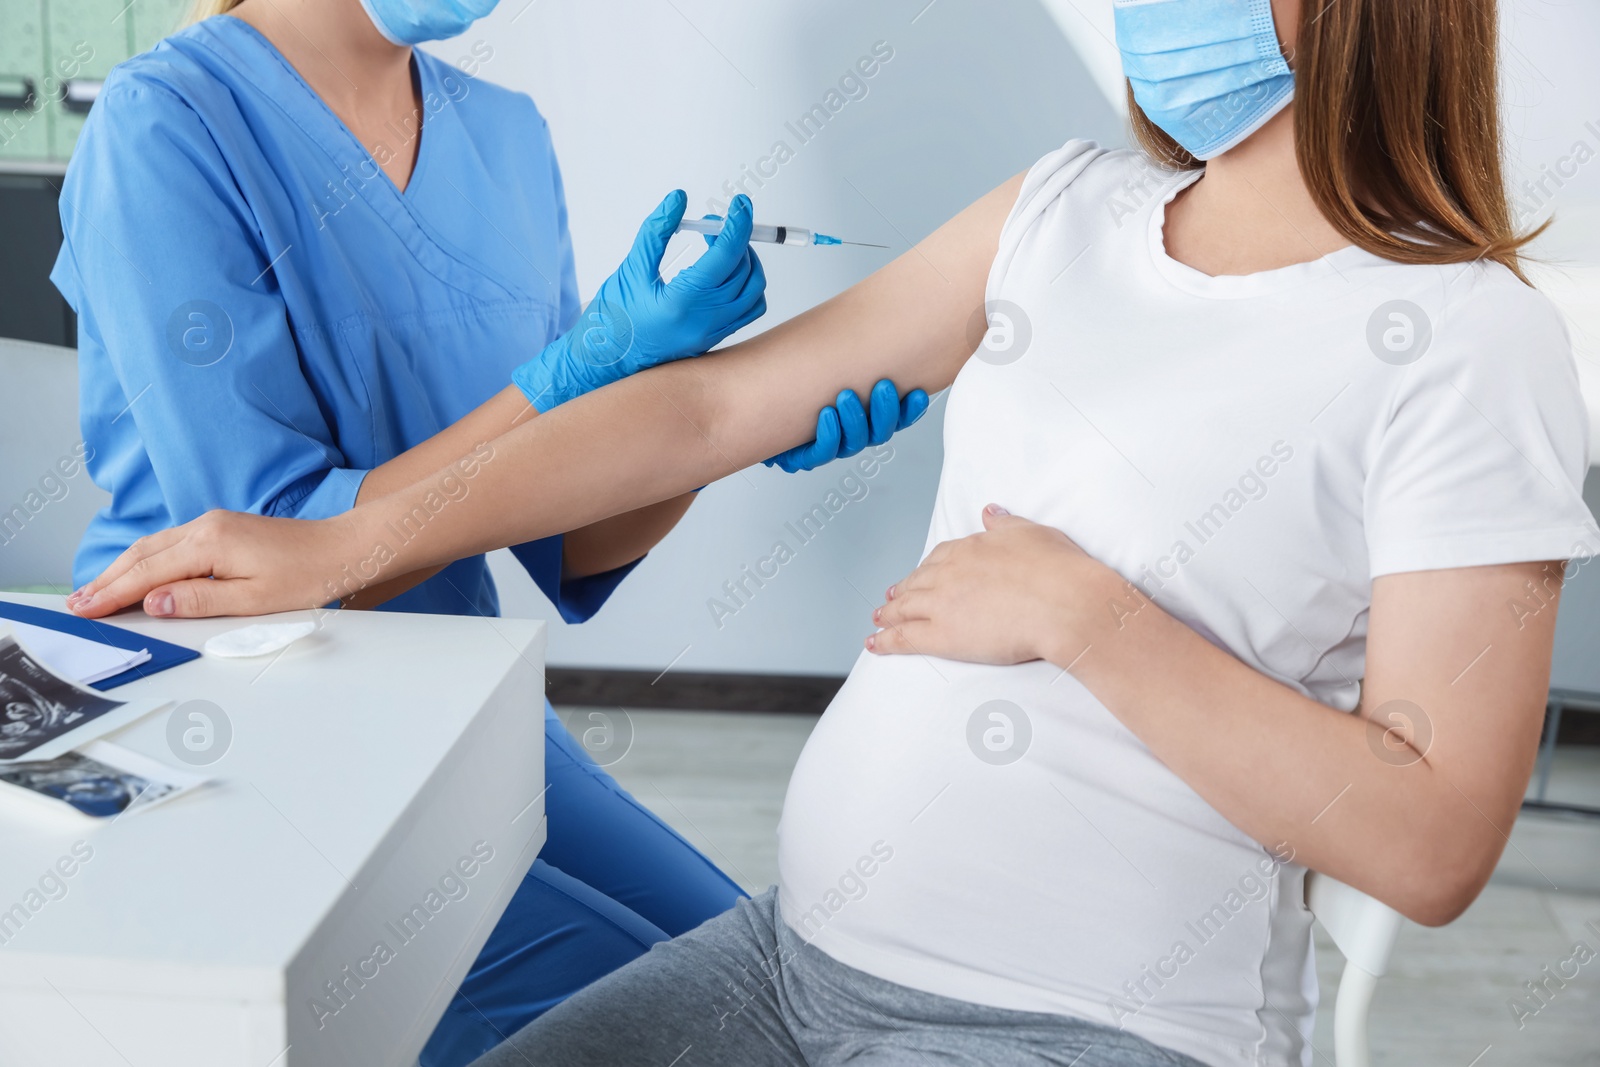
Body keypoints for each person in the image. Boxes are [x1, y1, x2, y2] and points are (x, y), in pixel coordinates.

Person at [70, 0, 1600, 1063]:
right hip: (793, 962)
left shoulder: (1464, 340)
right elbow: (704, 414)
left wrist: (1092, 617)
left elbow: (1433, 840)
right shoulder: (1060, 209)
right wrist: (339, 546)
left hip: (1087, 1019)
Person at [48, 0, 926, 1062]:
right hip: (233, 724)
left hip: (452, 700)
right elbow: (276, 558)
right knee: (728, 1039)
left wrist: (712, 427)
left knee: (779, 985)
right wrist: (569, 377)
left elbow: (572, 542)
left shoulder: (505, 135)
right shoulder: (166, 126)